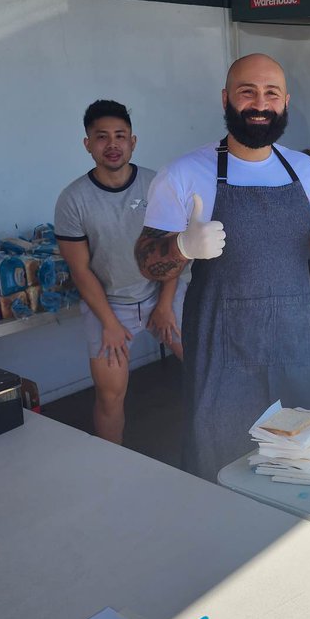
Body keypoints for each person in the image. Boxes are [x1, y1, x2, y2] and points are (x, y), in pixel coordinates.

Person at [135, 54, 310, 482]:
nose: (260, 104)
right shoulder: (184, 173)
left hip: (295, 343)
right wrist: (183, 246)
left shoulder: (304, 169)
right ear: (226, 99)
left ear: (286, 102)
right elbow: (148, 261)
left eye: (271, 94)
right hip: (223, 351)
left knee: (300, 459)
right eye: (247, 92)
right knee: (222, 464)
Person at [55, 99, 184, 446]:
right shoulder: (73, 199)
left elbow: (174, 252)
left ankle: (218, 445)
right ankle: (112, 465)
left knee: (205, 366)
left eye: (120, 136)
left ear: (133, 142)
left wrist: (165, 305)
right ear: (87, 144)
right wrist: (110, 323)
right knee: (110, 395)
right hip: (109, 304)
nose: (112, 144)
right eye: (102, 137)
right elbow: (80, 270)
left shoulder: (157, 185)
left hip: (161, 292)